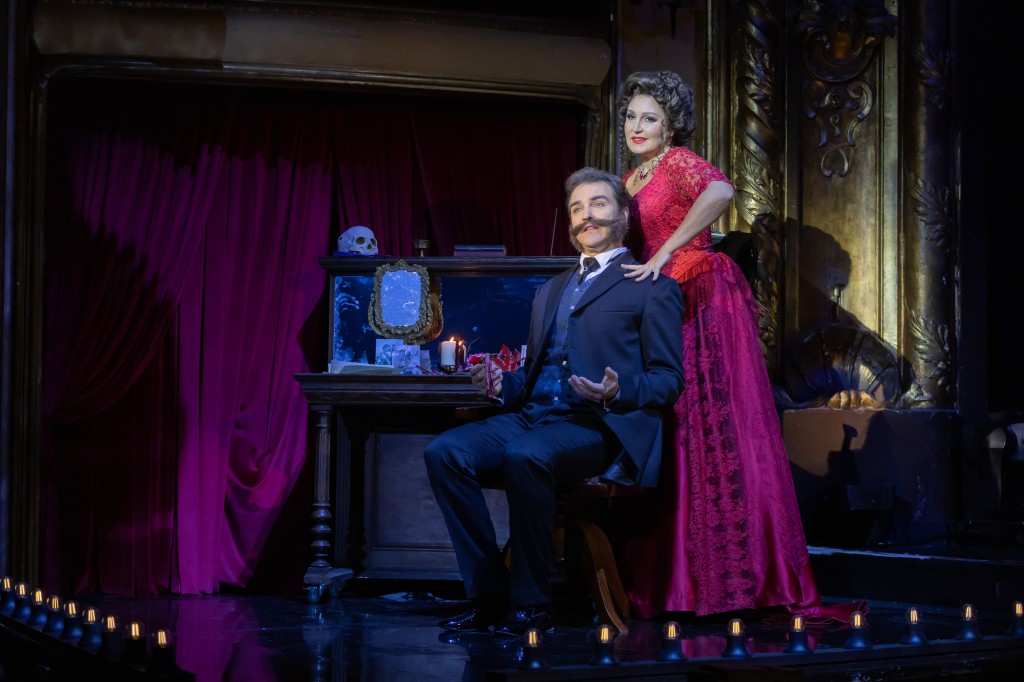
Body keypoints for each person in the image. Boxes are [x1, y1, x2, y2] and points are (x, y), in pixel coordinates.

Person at [424, 167, 685, 637]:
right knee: (445, 452)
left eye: (598, 204)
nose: (587, 216)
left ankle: (531, 604)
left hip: (598, 425)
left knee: (526, 456)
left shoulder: (652, 287)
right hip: (533, 416)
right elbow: (535, 371)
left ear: (624, 215)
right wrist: (502, 384)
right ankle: (489, 595)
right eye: (577, 208)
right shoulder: (550, 289)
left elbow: (669, 380)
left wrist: (617, 389)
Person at [615, 70, 837, 620]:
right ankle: (674, 578)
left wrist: (665, 252)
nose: (637, 126)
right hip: (658, 301)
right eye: (631, 116)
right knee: (672, 429)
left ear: (670, 128)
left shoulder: (677, 162)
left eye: (649, 118)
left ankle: (730, 578)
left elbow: (721, 191)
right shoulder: (629, 178)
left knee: (706, 426)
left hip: (697, 290)